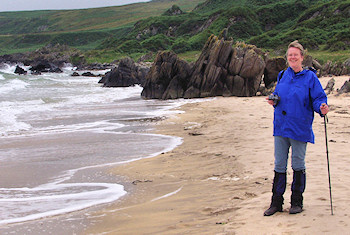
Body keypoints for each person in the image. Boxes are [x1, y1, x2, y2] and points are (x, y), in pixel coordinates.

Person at [264, 40, 329, 216]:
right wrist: (273, 99)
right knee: (279, 165)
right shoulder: (282, 75)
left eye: (295, 55)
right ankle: (276, 203)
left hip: (299, 127)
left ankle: (297, 202)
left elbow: (318, 98)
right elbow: (278, 95)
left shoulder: (310, 77)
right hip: (281, 127)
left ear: (301, 57)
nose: (292, 57)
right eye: (290, 55)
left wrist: (322, 107)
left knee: (298, 164)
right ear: (287, 58)